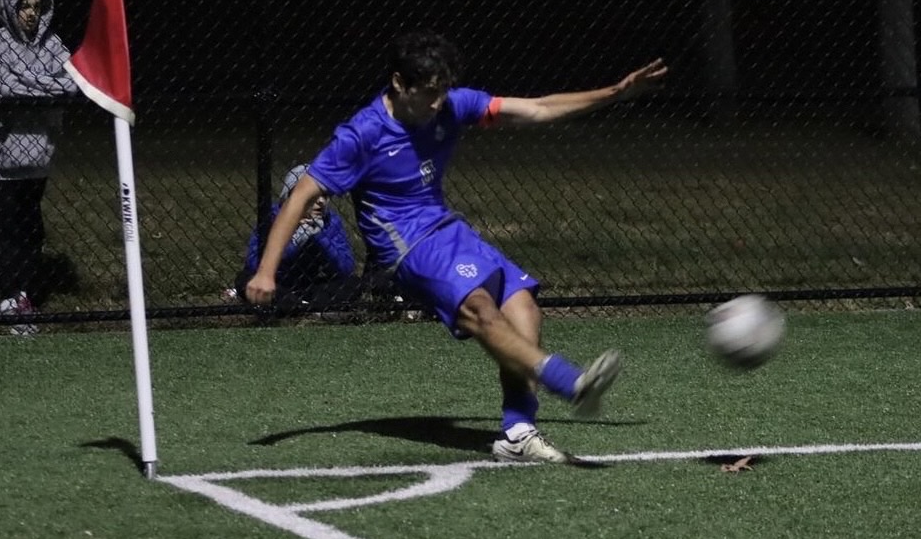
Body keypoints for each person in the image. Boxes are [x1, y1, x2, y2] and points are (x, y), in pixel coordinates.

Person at [246, 30, 667, 463]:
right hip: (405, 247)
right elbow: (302, 194)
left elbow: (538, 108)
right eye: (428, 93)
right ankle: (570, 382)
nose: (436, 103)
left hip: (447, 229)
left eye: (442, 91)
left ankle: (518, 433)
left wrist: (616, 93)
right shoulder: (362, 134)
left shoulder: (452, 104)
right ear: (398, 82)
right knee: (481, 310)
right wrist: (266, 270)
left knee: (522, 306)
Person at [0, 0, 78, 335]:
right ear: (9, 6)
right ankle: (6, 297)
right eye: (23, 6)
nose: (31, 13)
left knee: (30, 229)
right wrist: (45, 88)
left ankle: (23, 294)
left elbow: (72, 82)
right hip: (5, 158)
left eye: (36, 6)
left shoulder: (53, 44)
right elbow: (4, 87)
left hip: (37, 157)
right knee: (3, 229)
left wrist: (29, 87)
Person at [235, 163, 361, 315]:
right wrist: (297, 238)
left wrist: (318, 235)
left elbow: (345, 269)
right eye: (314, 195)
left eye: (325, 195)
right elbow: (254, 264)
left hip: (310, 285)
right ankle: (305, 307)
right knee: (244, 279)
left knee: (353, 283)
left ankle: (303, 307)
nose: (321, 201)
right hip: (276, 284)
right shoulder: (272, 218)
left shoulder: (330, 221)